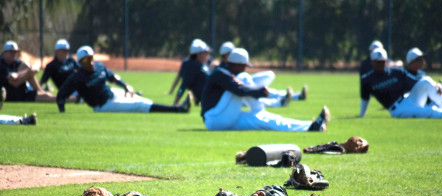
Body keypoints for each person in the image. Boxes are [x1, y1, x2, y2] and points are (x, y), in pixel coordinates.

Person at [200, 48, 330, 131]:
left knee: (264, 119)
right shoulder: (220, 72)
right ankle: (262, 107)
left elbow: (240, 89)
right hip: (214, 118)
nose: (245, 68)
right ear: (237, 64)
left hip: (223, 119)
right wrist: (258, 92)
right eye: (244, 65)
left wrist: (259, 91)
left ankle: (309, 127)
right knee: (244, 77)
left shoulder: (227, 72)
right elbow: (239, 90)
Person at [56, 46, 190, 113]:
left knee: (141, 99)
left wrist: (125, 85)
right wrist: (62, 111)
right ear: (80, 62)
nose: (90, 62)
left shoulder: (99, 66)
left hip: (112, 93)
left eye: (91, 58)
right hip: (102, 105)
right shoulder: (77, 77)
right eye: (86, 60)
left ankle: (175, 107)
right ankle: (177, 109)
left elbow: (112, 77)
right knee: (139, 105)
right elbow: (61, 95)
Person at [360, 48, 442, 119]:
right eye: (378, 62)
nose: (381, 65)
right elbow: (365, 98)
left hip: (408, 99)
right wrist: (361, 115)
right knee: (428, 111)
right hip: (397, 110)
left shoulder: (396, 71)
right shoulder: (367, 79)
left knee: (425, 81)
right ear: (372, 62)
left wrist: (435, 85)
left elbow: (417, 82)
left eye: (383, 62)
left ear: (386, 61)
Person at [218, 41, 307, 108]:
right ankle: (279, 102)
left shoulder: (230, 65)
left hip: (240, 89)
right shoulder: (223, 69)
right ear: (226, 55)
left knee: (267, 80)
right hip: (232, 96)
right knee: (254, 95)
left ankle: (296, 96)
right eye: (231, 53)